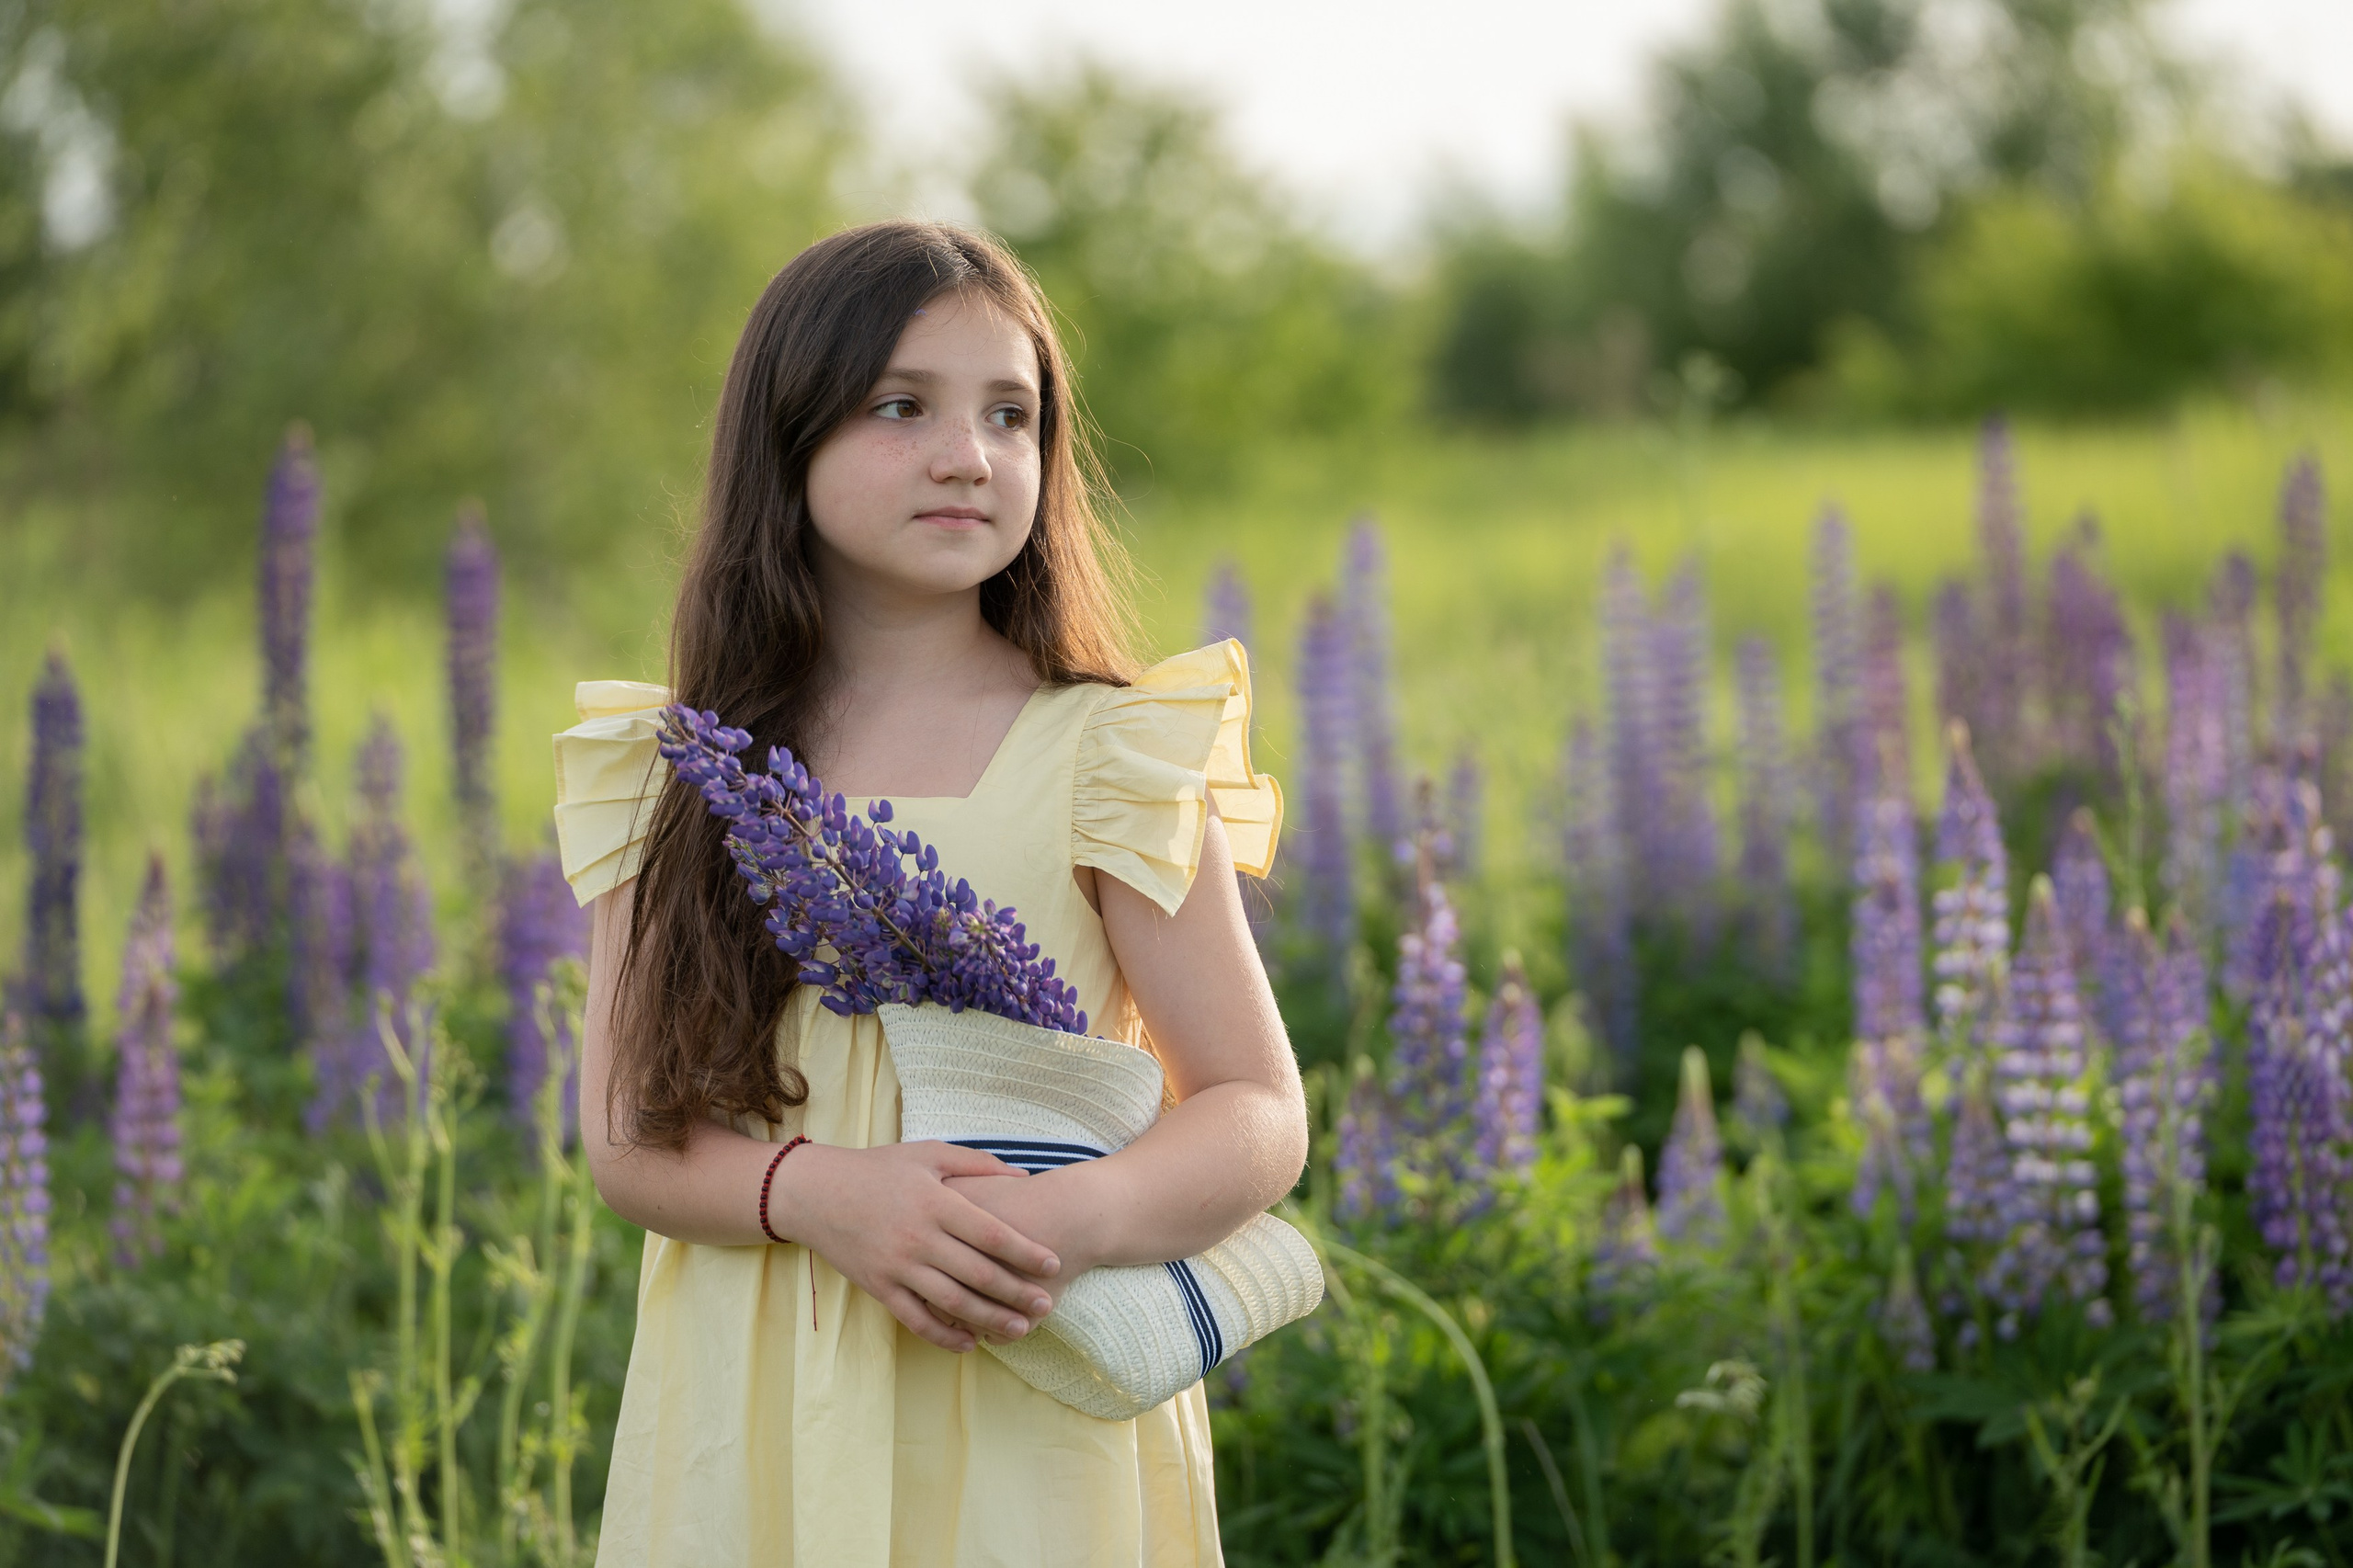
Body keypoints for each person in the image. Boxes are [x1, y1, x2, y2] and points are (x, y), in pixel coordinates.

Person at [552, 220, 1307, 1566]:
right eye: (903, 406)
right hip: (762, 1395)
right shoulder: (679, 773)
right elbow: (626, 1136)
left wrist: (1070, 1221)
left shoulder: (1108, 751)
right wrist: (823, 1192)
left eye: (1011, 415)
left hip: (1030, 1369)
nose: (970, 453)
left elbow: (1256, 1109)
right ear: (787, 439)